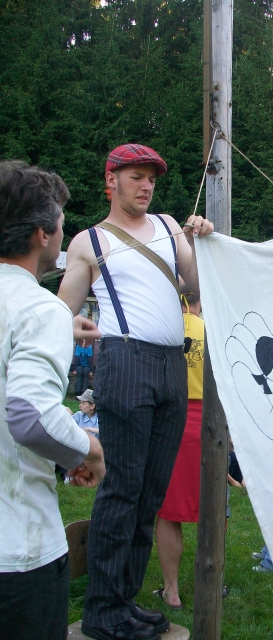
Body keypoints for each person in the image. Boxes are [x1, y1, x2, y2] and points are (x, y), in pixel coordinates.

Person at [58, 143, 214, 640]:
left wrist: (203, 239)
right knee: (123, 488)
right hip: (124, 361)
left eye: (151, 178)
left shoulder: (169, 226)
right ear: (111, 180)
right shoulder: (89, 241)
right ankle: (103, 610)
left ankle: (123, 599)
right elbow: (61, 312)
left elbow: (196, 285)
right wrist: (69, 326)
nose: (146, 185)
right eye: (136, 176)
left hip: (173, 365)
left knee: (150, 493)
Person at [0, 160, 106, 640]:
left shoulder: (40, 313)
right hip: (17, 557)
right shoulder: (40, 308)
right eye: (62, 223)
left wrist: (58, 326)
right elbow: (29, 416)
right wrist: (88, 450)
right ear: (43, 235)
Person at [154, 286, 204, 610]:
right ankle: (213, 579)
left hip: (171, 418)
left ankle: (171, 590)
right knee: (213, 508)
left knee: (168, 512)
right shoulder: (213, 328)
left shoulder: (162, 328)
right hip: (206, 421)